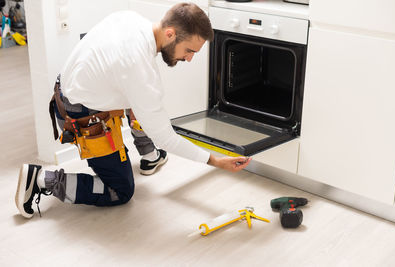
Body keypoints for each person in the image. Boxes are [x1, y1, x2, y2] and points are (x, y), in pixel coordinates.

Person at [15, 3, 251, 219]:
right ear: (170, 34)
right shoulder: (141, 72)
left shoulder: (130, 19)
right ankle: (42, 180)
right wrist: (216, 162)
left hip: (68, 91)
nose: (188, 59)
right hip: (79, 116)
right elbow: (166, 138)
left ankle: (149, 156)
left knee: (142, 104)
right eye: (190, 50)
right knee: (120, 190)